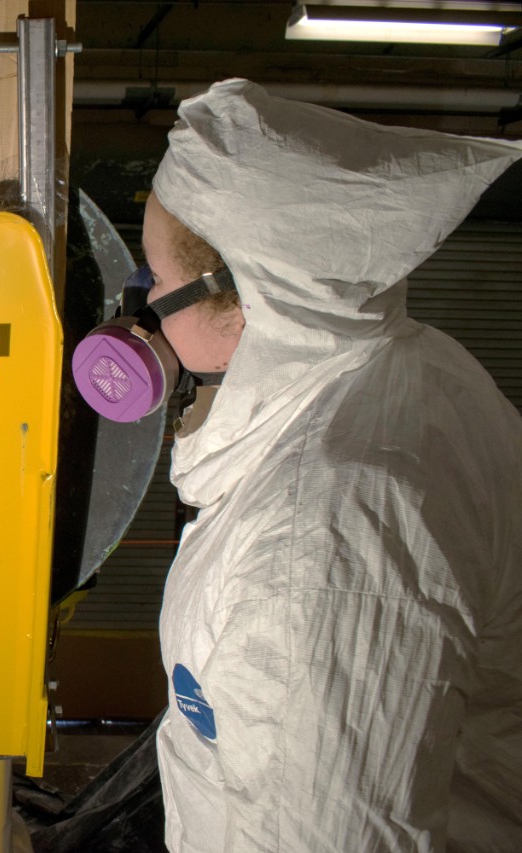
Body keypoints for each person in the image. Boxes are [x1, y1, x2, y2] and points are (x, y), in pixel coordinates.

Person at [143, 79, 522, 851]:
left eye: (158, 282)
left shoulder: (322, 536)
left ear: (247, 299)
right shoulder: (411, 368)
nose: (144, 306)